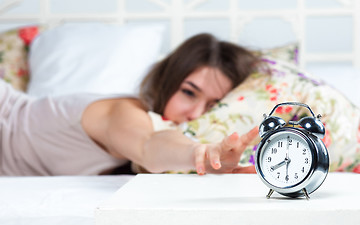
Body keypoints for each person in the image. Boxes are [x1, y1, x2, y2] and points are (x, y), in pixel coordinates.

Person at [0, 33, 261, 176]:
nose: (195, 114)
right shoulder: (124, 111)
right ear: (167, 81)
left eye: (213, 105)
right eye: (189, 93)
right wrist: (200, 154)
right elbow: (149, 144)